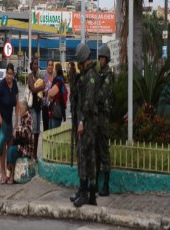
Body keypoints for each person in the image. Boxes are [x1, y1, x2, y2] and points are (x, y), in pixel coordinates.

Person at [70, 43, 99, 207]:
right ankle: (90, 194)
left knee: (83, 154)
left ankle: (84, 192)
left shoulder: (91, 77)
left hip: (88, 122)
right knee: (89, 157)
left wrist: (81, 122)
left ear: (83, 61)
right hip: (88, 121)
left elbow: (87, 103)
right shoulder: (88, 75)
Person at [0, 63, 19, 184]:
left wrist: (17, 120)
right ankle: (3, 174)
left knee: (11, 146)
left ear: (13, 74)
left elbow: (17, 103)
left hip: (9, 118)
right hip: (1, 119)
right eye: (8, 73)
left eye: (11, 74)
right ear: (6, 73)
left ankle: (11, 173)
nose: (9, 76)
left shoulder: (14, 85)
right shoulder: (2, 85)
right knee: (3, 146)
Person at [96, 45, 115, 196]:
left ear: (106, 59)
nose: (100, 60)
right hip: (97, 116)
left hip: (104, 118)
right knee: (96, 151)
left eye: (102, 58)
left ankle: (106, 185)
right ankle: (95, 183)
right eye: (99, 57)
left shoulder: (108, 75)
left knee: (104, 152)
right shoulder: (99, 73)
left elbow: (101, 95)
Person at [6, 100, 34, 184]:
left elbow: (27, 133)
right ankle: (10, 173)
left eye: (20, 109)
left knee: (12, 151)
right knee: (10, 149)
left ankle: (11, 174)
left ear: (25, 109)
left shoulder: (28, 117)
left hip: (27, 147)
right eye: (18, 109)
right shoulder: (23, 117)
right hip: (22, 144)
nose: (19, 111)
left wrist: (17, 131)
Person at [27, 57, 45, 161]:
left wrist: (43, 89)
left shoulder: (38, 77)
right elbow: (33, 89)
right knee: (33, 131)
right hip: (33, 107)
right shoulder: (30, 77)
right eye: (34, 64)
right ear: (31, 65)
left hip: (39, 107)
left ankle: (34, 154)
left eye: (37, 64)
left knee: (37, 132)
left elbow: (41, 91)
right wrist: (41, 87)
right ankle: (30, 152)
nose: (36, 66)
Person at [48, 63, 66, 129]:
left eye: (54, 69)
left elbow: (50, 93)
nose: (53, 71)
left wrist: (49, 94)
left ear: (57, 70)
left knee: (53, 133)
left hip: (56, 111)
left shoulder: (58, 81)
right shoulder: (61, 79)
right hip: (56, 110)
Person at [68, 62, 78, 166]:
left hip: (76, 106)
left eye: (69, 67)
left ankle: (77, 147)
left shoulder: (73, 76)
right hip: (73, 105)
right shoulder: (71, 76)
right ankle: (76, 146)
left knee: (75, 129)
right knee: (74, 129)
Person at [42, 60, 54, 131]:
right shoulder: (44, 77)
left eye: (51, 65)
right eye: (49, 65)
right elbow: (41, 90)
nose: (50, 66)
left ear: (53, 66)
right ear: (47, 67)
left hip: (53, 106)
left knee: (52, 129)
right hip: (45, 105)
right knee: (46, 128)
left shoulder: (55, 77)